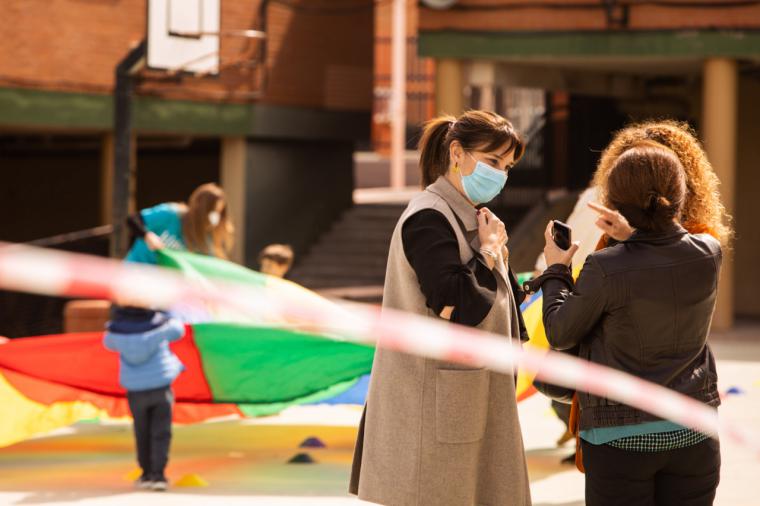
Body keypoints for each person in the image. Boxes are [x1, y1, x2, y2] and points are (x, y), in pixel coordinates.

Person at [350, 110, 531, 506]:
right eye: (493, 161)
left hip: (472, 396)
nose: (500, 174)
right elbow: (456, 302)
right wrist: (487, 251)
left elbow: (505, 302)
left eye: (508, 166)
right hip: (438, 405)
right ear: (457, 153)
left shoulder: (477, 218)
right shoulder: (430, 217)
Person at [534, 143, 722, 506]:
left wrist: (557, 270)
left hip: (619, 436)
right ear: (680, 194)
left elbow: (560, 332)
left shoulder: (605, 266)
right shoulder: (709, 253)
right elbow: (663, 253)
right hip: (694, 429)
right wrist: (633, 236)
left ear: (615, 203)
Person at [103, 306, 185, 492]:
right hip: (160, 387)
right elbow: (179, 329)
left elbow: (107, 342)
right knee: (161, 433)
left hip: (135, 390)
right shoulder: (162, 328)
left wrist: (116, 323)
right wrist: (166, 312)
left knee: (142, 432)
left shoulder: (116, 334)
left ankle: (146, 474)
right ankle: (159, 476)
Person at [126, 183, 234, 265]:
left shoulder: (205, 239)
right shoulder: (171, 214)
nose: (215, 217)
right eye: (212, 211)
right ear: (200, 210)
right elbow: (133, 219)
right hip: (136, 272)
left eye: (219, 213)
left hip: (162, 286)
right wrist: (147, 236)